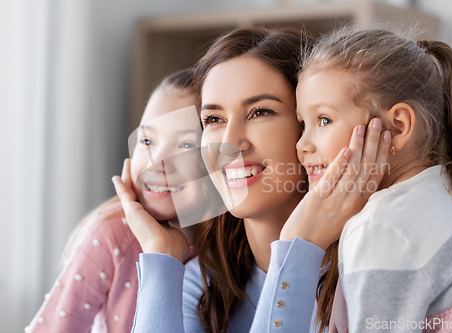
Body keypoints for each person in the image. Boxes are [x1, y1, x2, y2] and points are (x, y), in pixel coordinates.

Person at [112, 27, 389, 333]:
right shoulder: (202, 284)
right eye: (214, 119)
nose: (229, 143)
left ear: (308, 125)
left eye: (260, 112)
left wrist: (299, 248)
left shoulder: (372, 272)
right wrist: (161, 256)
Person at [254, 28, 452, 333]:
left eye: (324, 120)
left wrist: (293, 241)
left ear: (396, 127)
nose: (302, 145)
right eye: (304, 124)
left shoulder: (383, 228)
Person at [27, 69, 202, 333]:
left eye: (187, 145)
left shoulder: (233, 241)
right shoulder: (113, 235)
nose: (157, 163)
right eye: (147, 140)